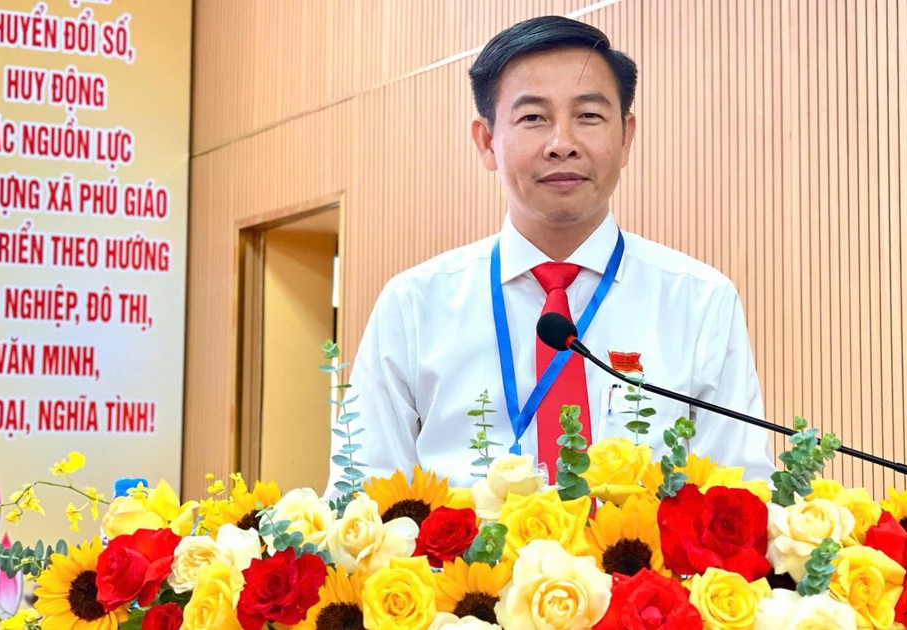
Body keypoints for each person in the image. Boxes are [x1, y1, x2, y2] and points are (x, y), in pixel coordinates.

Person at [325, 16, 774, 496]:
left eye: (589, 116)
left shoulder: (699, 302)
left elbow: (742, 495)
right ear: (486, 142)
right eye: (533, 118)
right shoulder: (413, 306)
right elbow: (362, 498)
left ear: (626, 137)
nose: (563, 145)